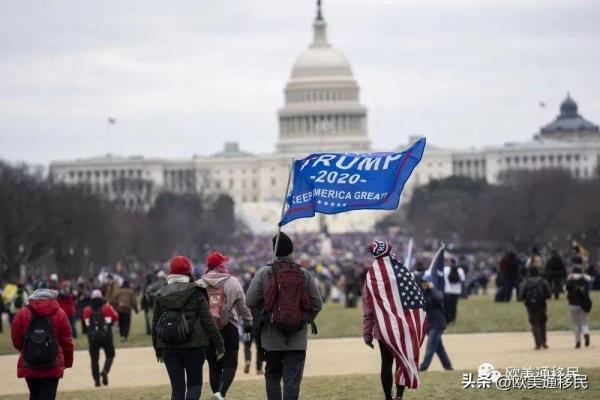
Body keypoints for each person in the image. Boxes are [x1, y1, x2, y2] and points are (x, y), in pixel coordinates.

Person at [246, 232, 323, 400]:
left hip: (271, 338)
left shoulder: (263, 273)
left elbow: (250, 300)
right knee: (292, 381)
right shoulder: (304, 273)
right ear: (291, 251)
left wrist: (265, 314)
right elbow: (317, 304)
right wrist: (303, 320)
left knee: (272, 378)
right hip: (297, 339)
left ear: (274, 250)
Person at [152, 256, 225, 400]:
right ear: (188, 271)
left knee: (177, 388)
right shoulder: (197, 291)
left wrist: (157, 350)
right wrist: (219, 345)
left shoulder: (161, 293)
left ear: (171, 272)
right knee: (194, 385)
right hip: (194, 345)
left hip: (168, 345)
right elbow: (207, 321)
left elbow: (155, 323)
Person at [197, 251, 253, 400]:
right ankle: (220, 394)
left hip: (208, 329)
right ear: (222, 265)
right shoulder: (233, 281)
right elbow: (242, 306)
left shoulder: (200, 283)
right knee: (230, 364)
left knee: (213, 365)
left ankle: (217, 394)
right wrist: (248, 322)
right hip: (229, 326)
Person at [10, 278, 74, 400]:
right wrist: (68, 361)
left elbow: (15, 338)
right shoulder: (60, 313)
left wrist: (27, 349)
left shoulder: (22, 313)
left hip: (30, 362)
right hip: (52, 362)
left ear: (33, 291)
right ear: (51, 291)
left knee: (34, 395)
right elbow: (67, 341)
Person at [82, 289, 119, 387]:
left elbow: (85, 326)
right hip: (106, 336)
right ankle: (105, 370)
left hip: (92, 338)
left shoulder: (86, 310)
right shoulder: (107, 308)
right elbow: (116, 317)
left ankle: (97, 380)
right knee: (110, 355)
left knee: (94, 359)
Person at [419, 274, 453, 372]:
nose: (423, 284)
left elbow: (439, 298)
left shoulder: (436, 293)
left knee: (430, 347)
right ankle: (448, 367)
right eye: (423, 282)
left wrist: (431, 289)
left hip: (437, 324)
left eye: (426, 282)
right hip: (429, 325)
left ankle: (422, 368)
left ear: (430, 283)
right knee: (439, 348)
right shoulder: (422, 294)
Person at [519, 267, 551, 350]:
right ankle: (544, 342)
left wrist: (525, 299)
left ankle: (538, 343)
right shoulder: (543, 281)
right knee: (542, 323)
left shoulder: (526, 282)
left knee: (534, 323)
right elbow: (548, 293)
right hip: (542, 304)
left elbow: (521, 294)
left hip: (531, 305)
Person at [566, 266, 592, 348]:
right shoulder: (585, 281)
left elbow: (566, 290)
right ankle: (586, 333)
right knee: (584, 322)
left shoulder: (570, 281)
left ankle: (578, 342)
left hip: (573, 304)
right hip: (583, 304)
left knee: (576, 324)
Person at [142, 270, 167, 335]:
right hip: (164, 305)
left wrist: (149, 304)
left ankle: (153, 331)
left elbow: (147, 296)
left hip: (153, 305)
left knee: (154, 319)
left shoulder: (151, 286)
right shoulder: (167, 284)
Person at [443, 258, 465, 324]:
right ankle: (453, 319)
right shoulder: (460, 270)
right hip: (456, 291)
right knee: (454, 306)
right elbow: (463, 279)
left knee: (447, 306)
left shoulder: (445, 269)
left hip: (447, 290)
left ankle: (448, 319)